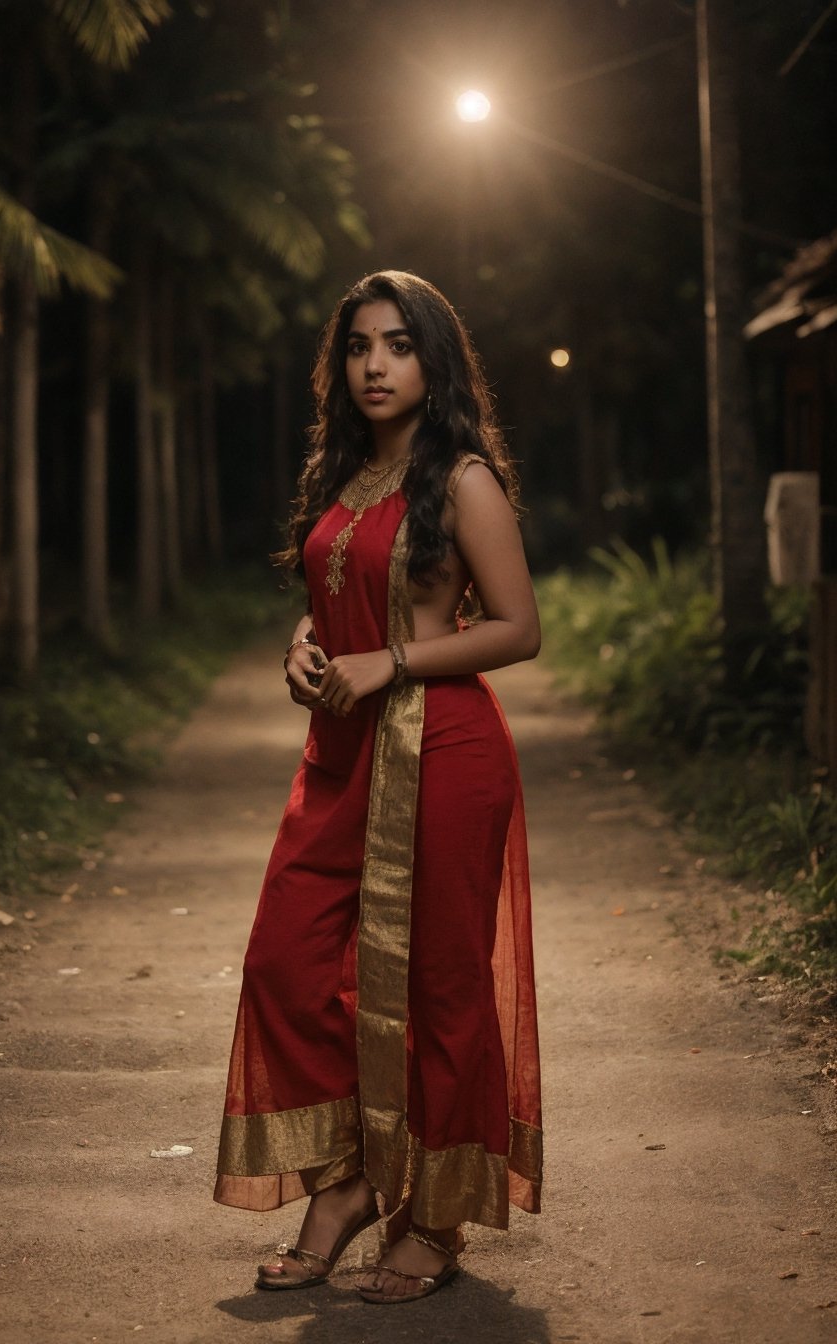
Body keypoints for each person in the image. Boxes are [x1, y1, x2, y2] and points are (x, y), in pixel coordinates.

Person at [214, 270, 542, 1305]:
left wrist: (394, 661)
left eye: (399, 345)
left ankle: (436, 1221)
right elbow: (336, 592)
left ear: (433, 361)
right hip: (344, 753)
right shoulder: (344, 477)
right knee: (287, 960)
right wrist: (306, 646)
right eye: (359, 346)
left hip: (442, 752)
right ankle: (351, 1179)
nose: (375, 365)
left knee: (441, 986)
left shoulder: (464, 480)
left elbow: (518, 629)